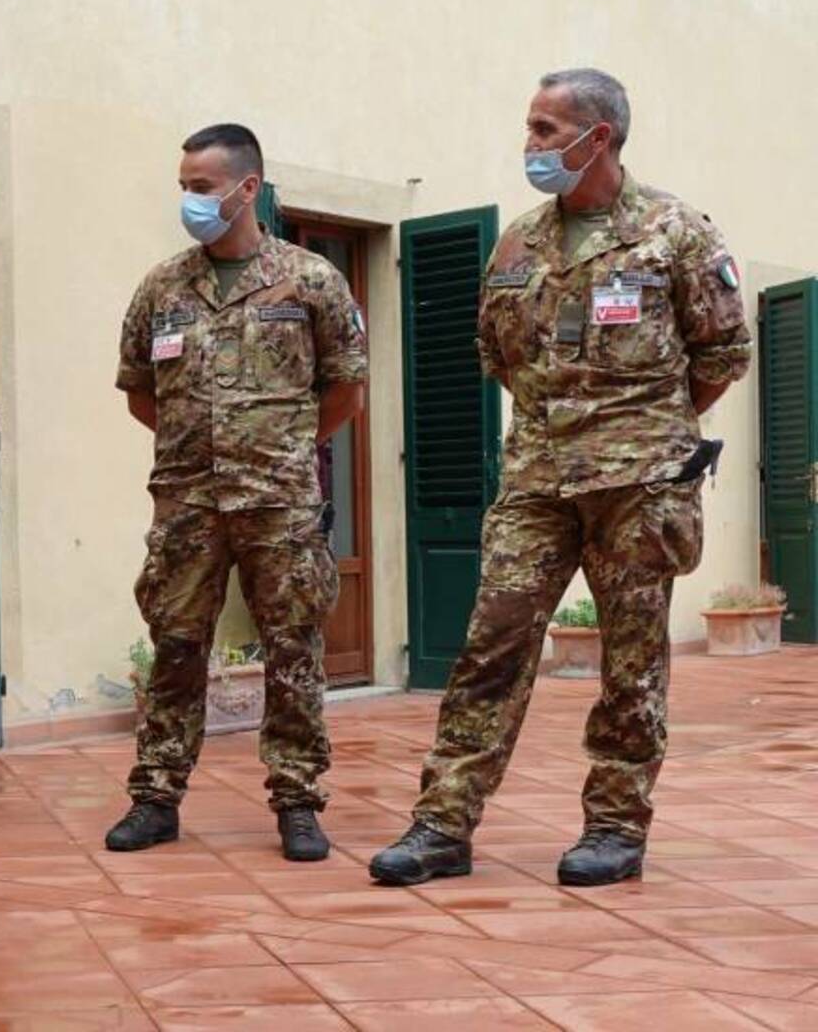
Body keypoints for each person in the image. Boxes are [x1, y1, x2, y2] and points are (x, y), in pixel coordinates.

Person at [370, 69, 752, 888]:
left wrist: (642, 433)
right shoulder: (518, 242)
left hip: (640, 487)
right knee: (490, 647)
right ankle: (442, 824)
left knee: (631, 661)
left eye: (546, 130)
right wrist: (563, 426)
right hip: (537, 481)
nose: (531, 146)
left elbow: (721, 357)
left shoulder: (676, 232)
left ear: (598, 137)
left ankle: (615, 828)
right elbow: (496, 355)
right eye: (531, 129)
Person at [108, 124, 367, 861]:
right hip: (188, 501)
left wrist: (283, 447)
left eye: (201, 187)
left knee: (293, 649)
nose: (188, 200)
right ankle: (155, 798)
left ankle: (297, 802)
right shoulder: (161, 287)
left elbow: (346, 389)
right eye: (183, 186)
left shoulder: (310, 280)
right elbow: (139, 394)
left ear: (246, 189)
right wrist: (201, 450)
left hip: (278, 502)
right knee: (176, 646)